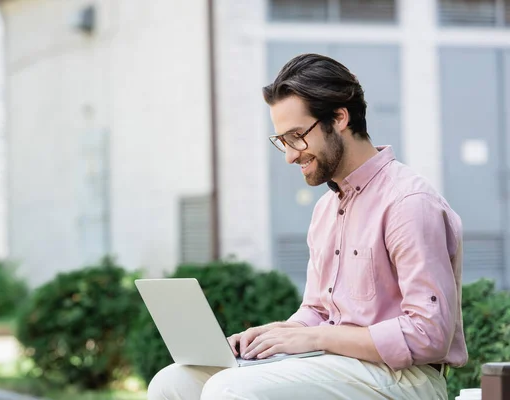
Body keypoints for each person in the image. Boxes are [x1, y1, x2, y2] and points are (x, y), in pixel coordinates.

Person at [147, 53, 468, 400]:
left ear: (340, 118)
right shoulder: (326, 210)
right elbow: (317, 311)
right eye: (283, 140)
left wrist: (314, 339)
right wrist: (275, 334)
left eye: (297, 135)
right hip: (336, 364)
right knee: (173, 381)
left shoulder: (408, 202)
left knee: (230, 389)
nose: (290, 154)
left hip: (405, 378)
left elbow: (430, 333)